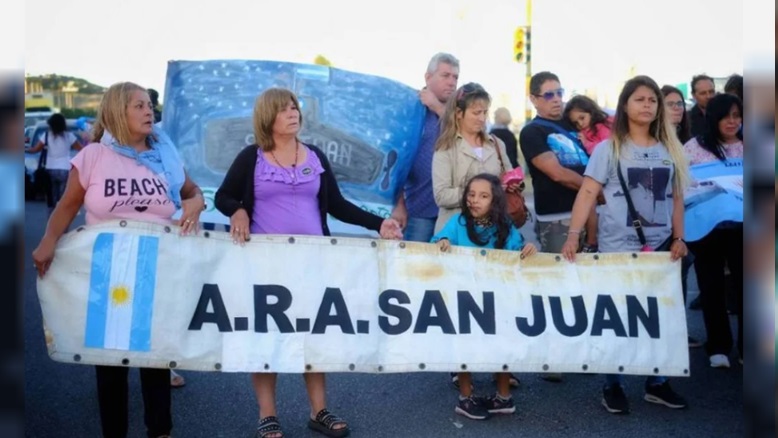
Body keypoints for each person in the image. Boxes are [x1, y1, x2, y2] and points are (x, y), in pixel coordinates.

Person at [214, 87, 402, 438]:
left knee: (313, 336)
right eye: (284, 109)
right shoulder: (251, 157)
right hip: (265, 266)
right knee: (266, 337)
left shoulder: (314, 155)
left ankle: (319, 411)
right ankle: (267, 414)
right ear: (268, 117)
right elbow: (225, 195)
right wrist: (238, 209)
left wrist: (379, 224)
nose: (293, 113)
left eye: (295, 108)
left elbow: (338, 205)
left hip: (313, 264)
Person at [31, 82, 207, 438]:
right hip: (109, 274)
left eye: (149, 105)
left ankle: (160, 431)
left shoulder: (166, 157)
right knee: (110, 365)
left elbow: (192, 192)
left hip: (159, 270)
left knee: (155, 360)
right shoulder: (94, 156)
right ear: (117, 112)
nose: (149, 112)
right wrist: (48, 240)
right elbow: (67, 206)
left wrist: (196, 201)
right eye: (139, 106)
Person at [561, 75, 689, 415]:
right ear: (625, 105)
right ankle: (612, 384)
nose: (647, 105)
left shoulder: (670, 149)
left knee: (659, 317)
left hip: (661, 249)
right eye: (640, 99)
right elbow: (587, 192)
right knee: (616, 318)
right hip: (617, 248)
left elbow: (676, 198)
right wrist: (574, 236)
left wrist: (679, 238)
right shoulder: (608, 149)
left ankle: (656, 382)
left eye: (652, 100)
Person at [432, 173, 537, 420]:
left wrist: (527, 250)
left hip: (496, 300)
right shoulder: (458, 223)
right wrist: (443, 241)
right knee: (464, 345)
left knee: (499, 346)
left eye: (483, 196)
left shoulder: (505, 226)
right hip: (464, 299)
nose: (474, 200)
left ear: (495, 200)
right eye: (471, 194)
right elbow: (436, 241)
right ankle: (465, 398)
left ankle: (503, 398)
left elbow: (517, 250)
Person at [518, 73, 599, 382]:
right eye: (548, 94)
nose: (556, 99)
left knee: (585, 286)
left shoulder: (570, 127)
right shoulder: (532, 131)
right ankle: (554, 359)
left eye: (559, 92)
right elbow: (556, 172)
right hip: (558, 218)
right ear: (534, 99)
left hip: (589, 214)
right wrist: (595, 189)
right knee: (558, 287)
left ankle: (582, 353)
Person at [683, 93, 744, 368]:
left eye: (737, 115)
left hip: (745, 229)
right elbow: (681, 187)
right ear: (713, 118)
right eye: (726, 116)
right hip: (706, 228)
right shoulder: (694, 147)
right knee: (711, 287)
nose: (732, 122)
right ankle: (718, 346)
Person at [392, 52, 460, 243]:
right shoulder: (410, 108)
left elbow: (463, 136)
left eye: (455, 77)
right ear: (428, 77)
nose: (451, 82)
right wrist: (398, 204)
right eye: (445, 75)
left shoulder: (460, 111)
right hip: (418, 209)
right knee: (415, 267)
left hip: (454, 210)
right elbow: (395, 161)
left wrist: (437, 107)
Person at [661, 85, 701, 345]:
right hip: (660, 219)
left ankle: (676, 331)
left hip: (689, 215)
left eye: (680, 103)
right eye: (671, 104)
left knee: (681, 271)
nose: (678, 108)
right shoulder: (656, 142)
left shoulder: (688, 140)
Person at [27, 113, 82, 208]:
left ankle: (51, 218)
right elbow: (81, 149)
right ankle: (61, 215)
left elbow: (35, 149)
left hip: (50, 169)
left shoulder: (46, 136)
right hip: (65, 169)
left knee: (51, 197)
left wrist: (25, 149)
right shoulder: (69, 136)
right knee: (62, 198)